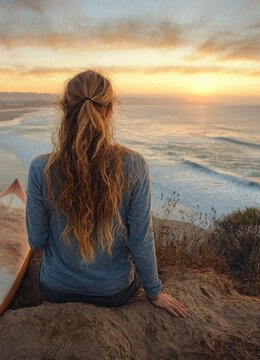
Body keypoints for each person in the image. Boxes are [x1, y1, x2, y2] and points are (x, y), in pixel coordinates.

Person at [25, 69, 188, 318]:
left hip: (56, 289)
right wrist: (154, 292)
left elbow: (36, 241)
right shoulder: (134, 165)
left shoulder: (41, 168)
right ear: (109, 110)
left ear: (64, 109)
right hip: (113, 293)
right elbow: (140, 239)